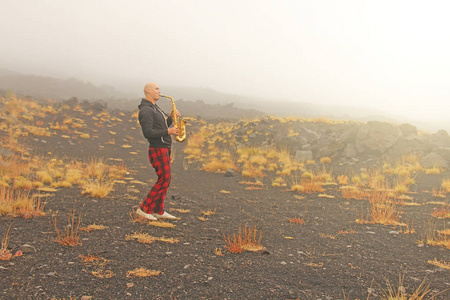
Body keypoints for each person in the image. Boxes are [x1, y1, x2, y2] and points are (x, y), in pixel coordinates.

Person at [136, 82, 180, 220]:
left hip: (164, 147)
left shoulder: (154, 108)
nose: (159, 91)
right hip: (157, 148)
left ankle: (158, 210)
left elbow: (160, 126)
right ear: (148, 91)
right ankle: (144, 209)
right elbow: (148, 132)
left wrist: (170, 119)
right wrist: (169, 131)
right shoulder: (146, 110)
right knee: (164, 179)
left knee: (166, 179)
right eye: (156, 89)